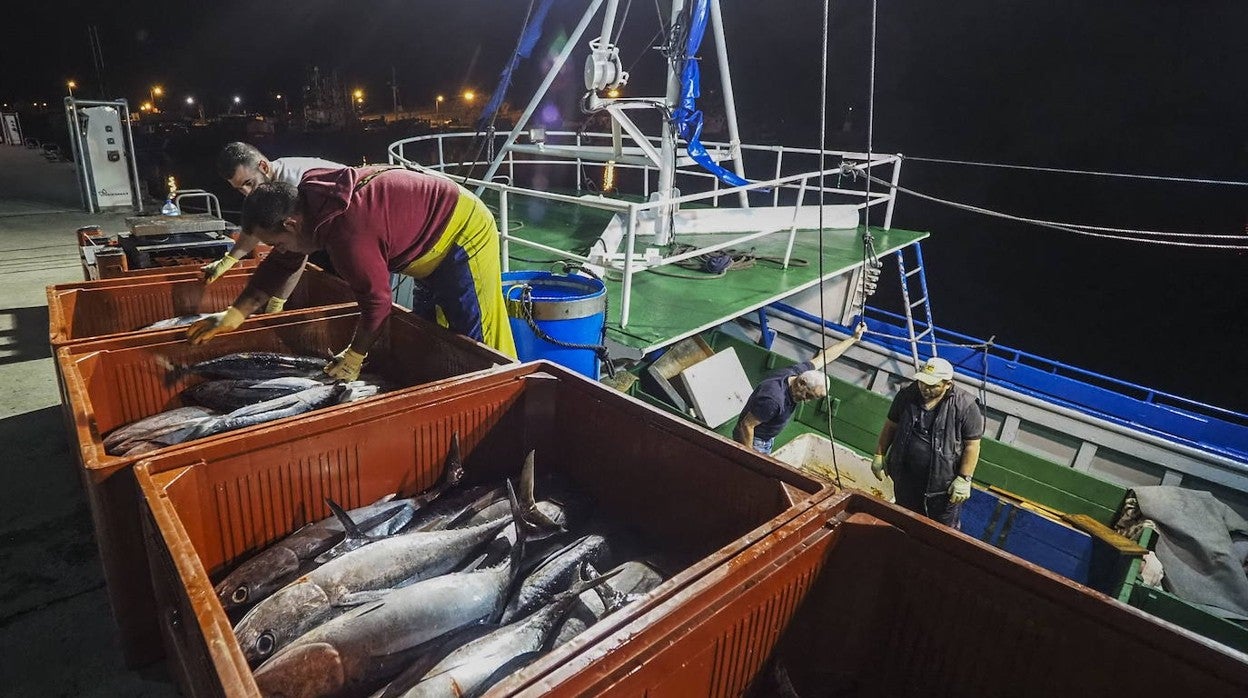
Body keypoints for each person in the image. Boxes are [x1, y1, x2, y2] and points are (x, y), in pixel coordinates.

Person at [186, 165, 517, 380]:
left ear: (291, 223)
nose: (280, 249)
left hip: (462, 232)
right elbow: (282, 262)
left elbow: (378, 304)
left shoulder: (347, 236)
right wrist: (234, 314)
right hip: (424, 239)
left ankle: (507, 394)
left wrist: (356, 354)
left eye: (278, 242)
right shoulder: (310, 204)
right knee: (432, 331)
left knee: (476, 342)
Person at [204, 142, 346, 312]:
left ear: (263, 166)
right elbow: (254, 230)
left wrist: (278, 301)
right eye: (240, 188)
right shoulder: (264, 188)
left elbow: (297, 251)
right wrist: (229, 260)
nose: (248, 192)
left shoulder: (293, 184)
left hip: (349, 226)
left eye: (249, 183)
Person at [871, 356, 984, 528]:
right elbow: (891, 426)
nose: (925, 388)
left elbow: (972, 446)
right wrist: (879, 454)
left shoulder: (965, 406)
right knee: (903, 521)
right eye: (923, 383)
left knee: (941, 531)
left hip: (941, 489)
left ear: (948, 384)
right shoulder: (907, 394)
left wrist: (963, 478)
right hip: (905, 478)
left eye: (933, 386)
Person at [734, 322, 866, 454]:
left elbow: (824, 358)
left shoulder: (797, 372)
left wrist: (853, 338)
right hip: (755, 439)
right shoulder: (774, 399)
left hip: (767, 436)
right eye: (808, 395)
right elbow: (746, 426)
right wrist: (749, 456)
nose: (807, 401)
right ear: (801, 383)